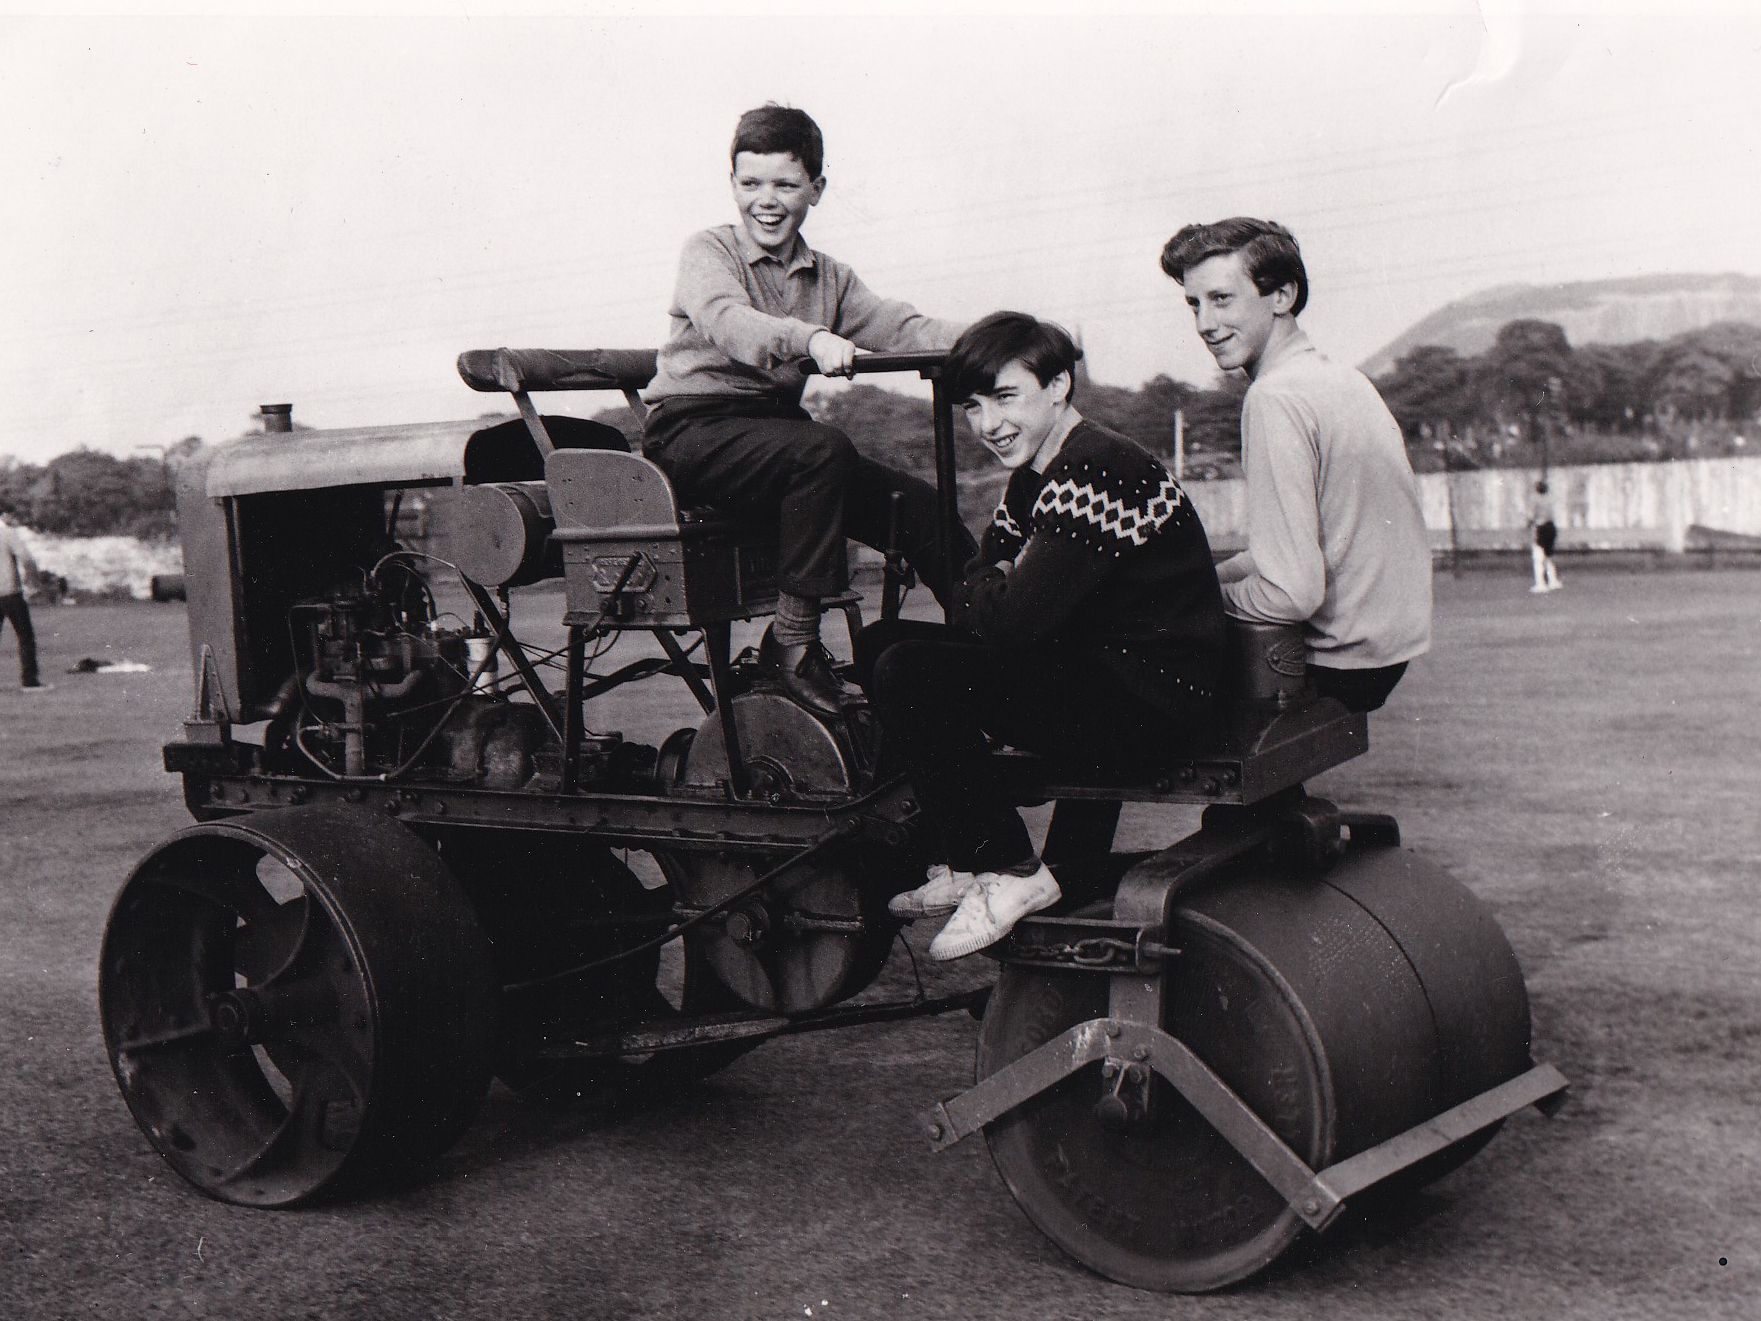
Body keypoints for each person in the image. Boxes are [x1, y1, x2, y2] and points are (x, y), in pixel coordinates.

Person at [855, 313, 1226, 960]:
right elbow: (988, 577)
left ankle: (1009, 872)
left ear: (1058, 386)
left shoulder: (1097, 468)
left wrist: (990, 583)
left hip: (1149, 704)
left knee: (909, 671)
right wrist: (992, 581)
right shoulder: (1036, 474)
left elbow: (1009, 621)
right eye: (971, 407)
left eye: (1004, 398)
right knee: (882, 641)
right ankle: (967, 862)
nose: (987, 425)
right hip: (1097, 672)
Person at [640, 104, 977, 714]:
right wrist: (810, 340)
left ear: (817, 190)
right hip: (691, 432)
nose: (766, 201)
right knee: (822, 452)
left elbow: (904, 327)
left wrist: (1001, 337)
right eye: (750, 184)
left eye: (786, 184)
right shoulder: (708, 252)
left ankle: (992, 651)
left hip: (775, 441)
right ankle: (793, 647)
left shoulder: (830, 279)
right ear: (733, 185)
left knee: (920, 508)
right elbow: (730, 322)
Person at [1159, 217, 1431, 713]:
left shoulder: (1275, 398)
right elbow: (1286, 551)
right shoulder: (1343, 379)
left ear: (1282, 296)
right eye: (1194, 304)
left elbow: (1290, 594)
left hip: (1336, 662)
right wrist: (1202, 581)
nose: (1203, 324)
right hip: (1389, 653)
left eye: (1221, 299)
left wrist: (1179, 605)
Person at [1, 513, 51, 693]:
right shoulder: (7, 533)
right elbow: (27, 558)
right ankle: (29, 680)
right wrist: (32, 582)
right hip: (9, 592)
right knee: (25, 637)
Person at [1530, 480, 1562, 592]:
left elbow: (1532, 516)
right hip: (1551, 527)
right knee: (1549, 556)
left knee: (1538, 557)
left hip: (1542, 527)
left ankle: (1541, 584)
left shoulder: (1536, 500)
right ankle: (1553, 581)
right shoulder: (1550, 500)